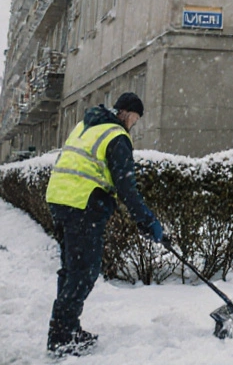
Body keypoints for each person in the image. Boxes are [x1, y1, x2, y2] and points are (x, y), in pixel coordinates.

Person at [45, 92, 166, 356]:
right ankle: (62, 337)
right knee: (84, 272)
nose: (135, 123)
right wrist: (147, 220)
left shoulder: (87, 125)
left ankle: (66, 329)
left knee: (71, 269)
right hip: (82, 206)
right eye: (135, 118)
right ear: (127, 113)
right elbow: (126, 186)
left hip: (60, 199)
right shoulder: (116, 135)